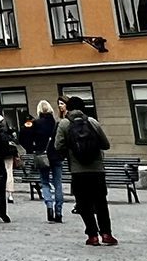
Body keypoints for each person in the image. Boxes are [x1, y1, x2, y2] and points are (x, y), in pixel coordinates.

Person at [53, 96, 115, 245]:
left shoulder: (64, 124)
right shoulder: (93, 122)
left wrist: (71, 151)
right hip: (97, 170)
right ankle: (106, 234)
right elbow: (105, 145)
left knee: (84, 203)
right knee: (101, 203)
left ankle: (92, 235)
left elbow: (58, 146)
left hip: (78, 170)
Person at [23, 100, 65, 223]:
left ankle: (49, 207)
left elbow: (24, 136)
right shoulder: (57, 123)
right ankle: (59, 212)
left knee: (45, 182)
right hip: (57, 156)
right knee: (58, 184)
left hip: (42, 155)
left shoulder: (35, 123)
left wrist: (32, 148)